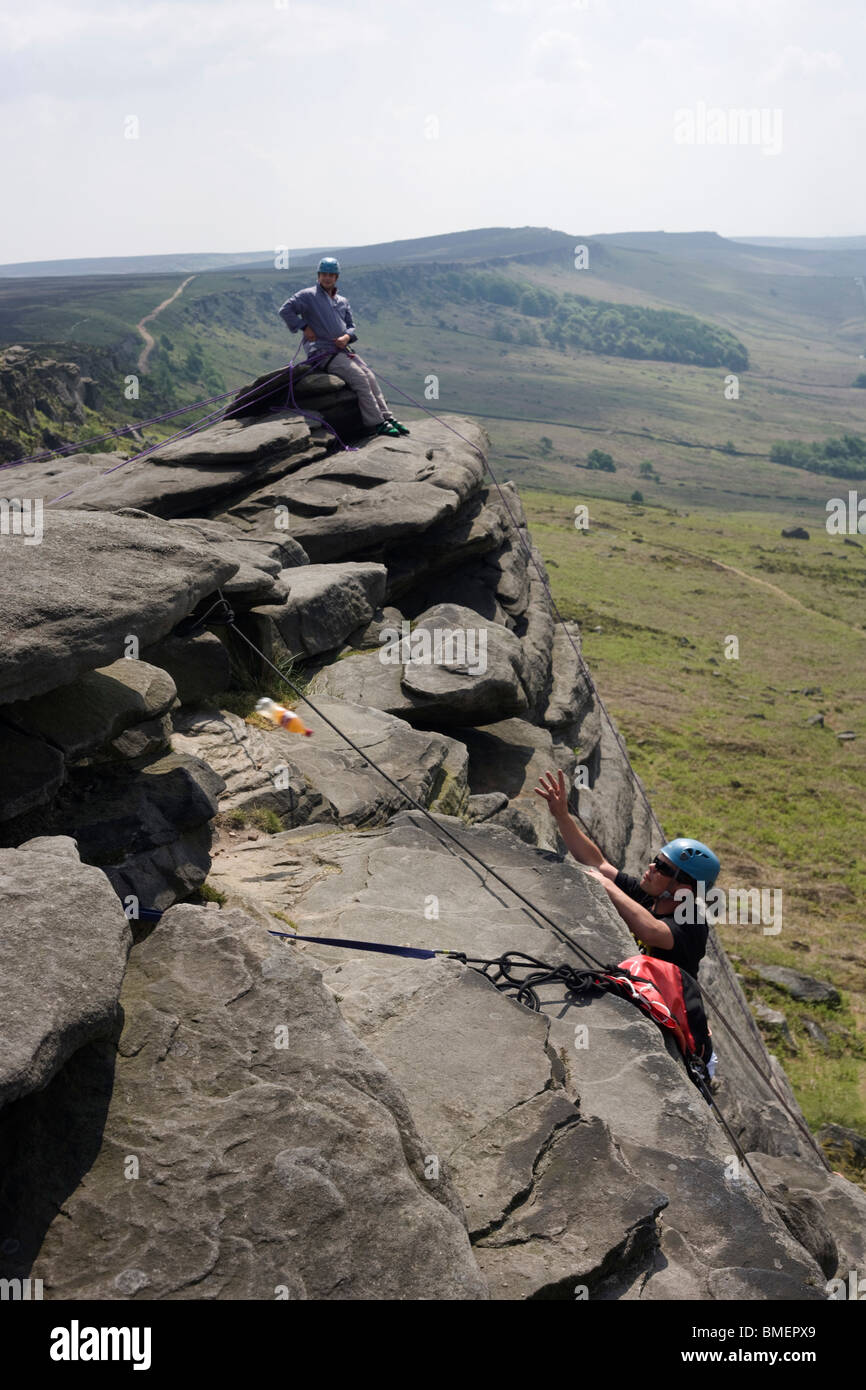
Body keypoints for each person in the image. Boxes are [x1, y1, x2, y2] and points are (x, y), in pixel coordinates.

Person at [534, 768, 720, 979]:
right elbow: (596, 862)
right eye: (655, 860)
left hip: (664, 1006)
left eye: (662, 868)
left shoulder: (692, 922)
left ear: (683, 889)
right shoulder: (649, 896)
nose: (651, 867)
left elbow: (652, 932)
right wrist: (562, 816)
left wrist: (608, 887)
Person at [278, 257, 409, 439]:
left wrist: (347, 337)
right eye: (324, 274)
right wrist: (304, 326)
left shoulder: (342, 301)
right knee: (360, 379)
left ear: (337, 277)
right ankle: (376, 423)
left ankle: (387, 417)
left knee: (370, 376)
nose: (327, 278)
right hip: (322, 352)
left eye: (331, 275)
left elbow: (351, 326)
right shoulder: (308, 296)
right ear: (318, 276)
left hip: (342, 350)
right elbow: (285, 310)